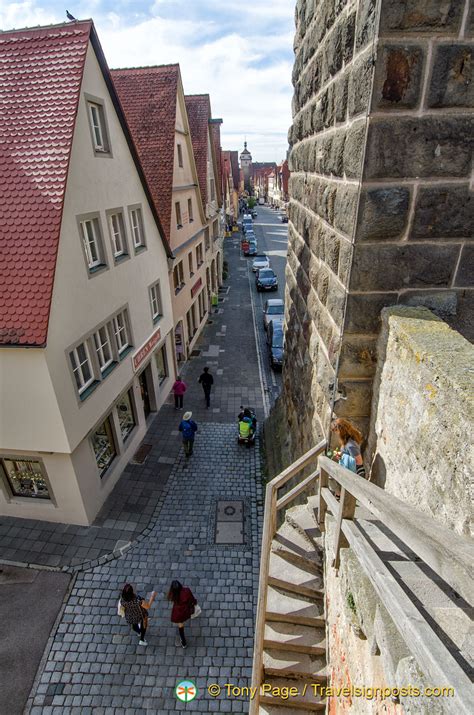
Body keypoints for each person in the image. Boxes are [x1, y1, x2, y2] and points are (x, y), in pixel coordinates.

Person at [167, 580, 197, 649]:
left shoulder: (172, 595)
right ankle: (183, 641)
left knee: (180, 625)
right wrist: (195, 603)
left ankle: (183, 642)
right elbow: (192, 599)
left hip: (178, 613)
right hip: (186, 610)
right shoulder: (186, 591)